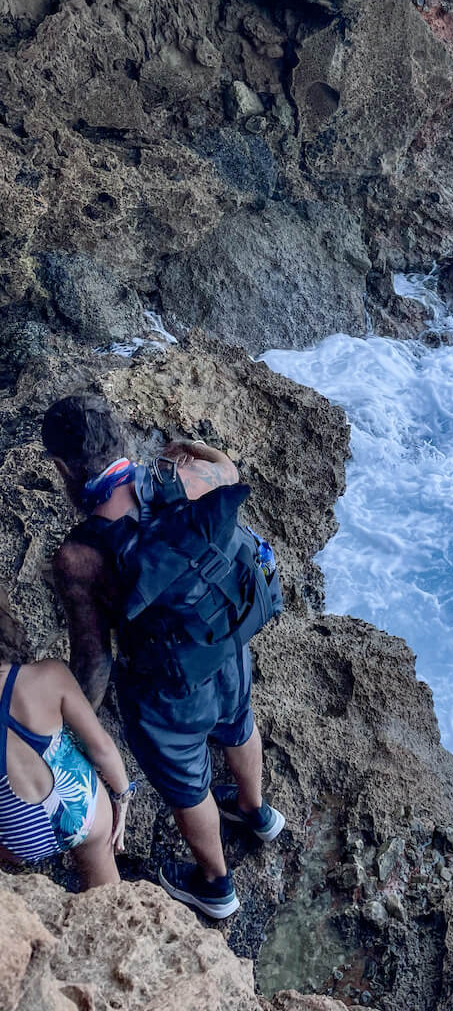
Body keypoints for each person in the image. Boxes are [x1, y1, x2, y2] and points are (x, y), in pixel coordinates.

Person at [41, 393, 285, 919]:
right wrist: (188, 447)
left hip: (167, 688)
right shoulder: (192, 476)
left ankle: (215, 886)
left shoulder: (78, 556)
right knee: (239, 722)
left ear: (62, 468)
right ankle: (256, 812)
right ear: (121, 437)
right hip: (225, 642)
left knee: (187, 785)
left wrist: (75, 735)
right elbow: (228, 466)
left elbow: (94, 663)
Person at [0, 586, 133, 887]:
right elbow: (102, 748)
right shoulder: (47, 676)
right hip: (83, 809)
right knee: (107, 895)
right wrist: (123, 798)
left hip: (20, 836)